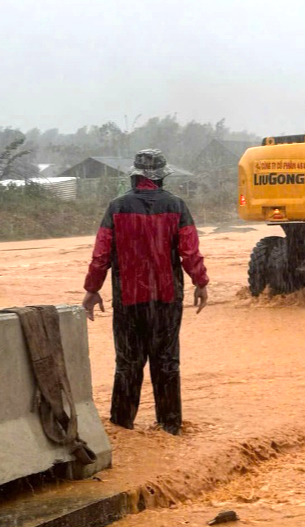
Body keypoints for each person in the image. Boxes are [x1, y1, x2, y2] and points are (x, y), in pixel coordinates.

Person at [81, 149, 209, 435]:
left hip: (128, 301)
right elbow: (189, 252)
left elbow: (101, 255)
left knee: (127, 364)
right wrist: (200, 283)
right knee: (166, 363)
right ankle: (170, 426)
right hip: (166, 300)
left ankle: (122, 428)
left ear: (135, 175)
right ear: (162, 176)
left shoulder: (117, 207)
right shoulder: (177, 206)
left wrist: (92, 289)